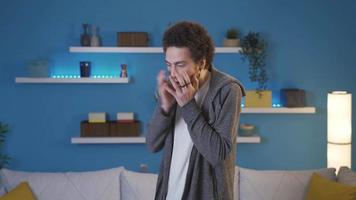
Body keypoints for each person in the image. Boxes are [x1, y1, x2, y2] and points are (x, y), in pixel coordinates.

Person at [146, 21, 245, 200]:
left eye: (180, 65)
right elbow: (152, 144)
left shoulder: (228, 90)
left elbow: (217, 154)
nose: (173, 74)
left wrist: (188, 105)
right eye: (169, 65)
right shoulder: (171, 87)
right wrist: (165, 108)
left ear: (201, 63)